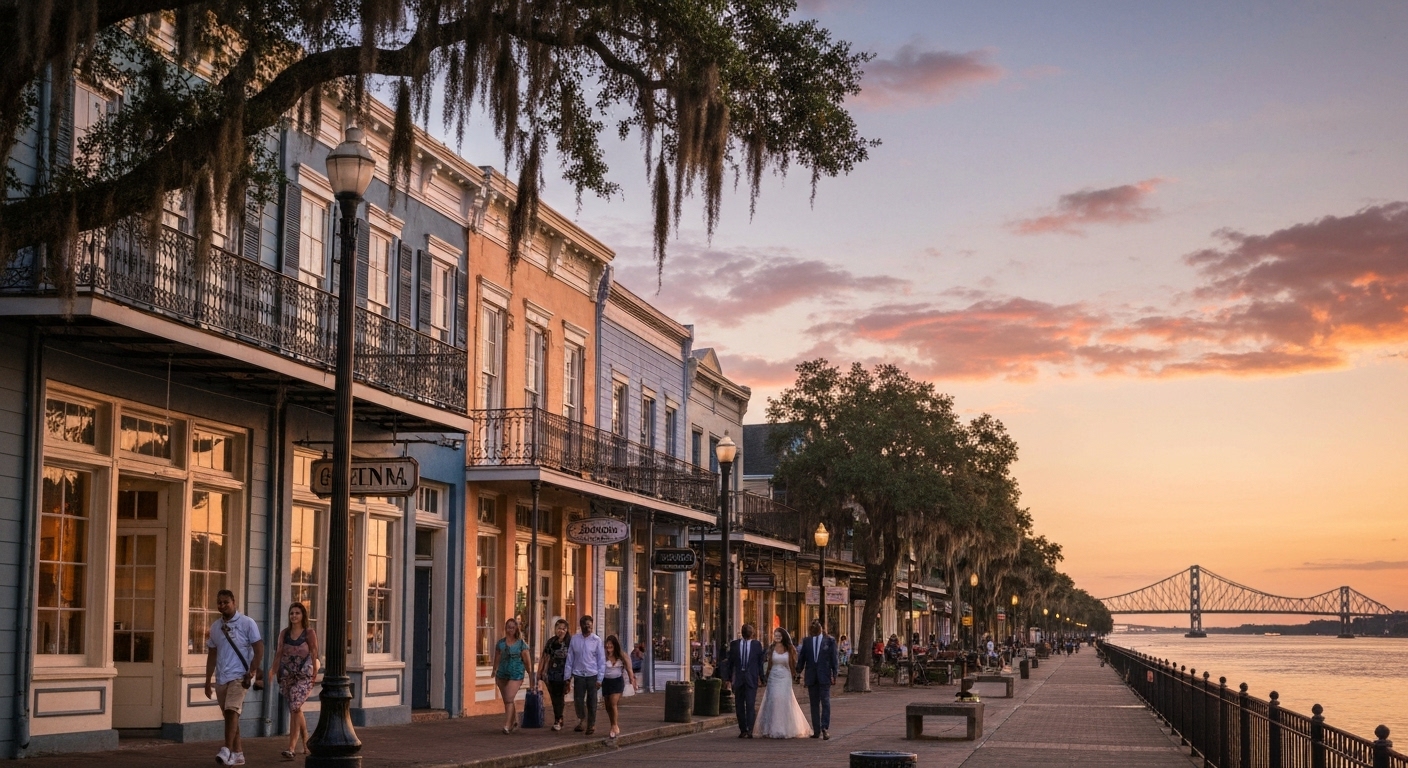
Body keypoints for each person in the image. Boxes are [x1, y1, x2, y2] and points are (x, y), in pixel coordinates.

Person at [204, 589, 264, 767]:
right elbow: (212, 654)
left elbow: (259, 647)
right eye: (219, 602)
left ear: (234, 602)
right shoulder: (215, 627)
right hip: (222, 677)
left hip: (240, 676)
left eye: (226, 602)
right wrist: (208, 681)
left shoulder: (247, 623)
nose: (222, 605)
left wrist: (252, 670)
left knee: (231, 711)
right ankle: (238, 755)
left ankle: (226, 749)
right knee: (231, 716)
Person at [270, 602, 318, 759]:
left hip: (304, 676)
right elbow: (278, 653)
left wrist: (314, 676)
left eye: (297, 613)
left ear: (303, 615)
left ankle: (291, 748)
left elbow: (314, 653)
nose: (294, 616)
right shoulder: (284, 633)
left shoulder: (309, 633)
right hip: (287, 675)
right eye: (292, 613)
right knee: (296, 708)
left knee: (295, 706)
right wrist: (273, 671)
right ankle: (306, 740)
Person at [754, 628, 811, 738]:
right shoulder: (771, 649)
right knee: (774, 699)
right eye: (776, 635)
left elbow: (794, 664)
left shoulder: (790, 648)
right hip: (773, 676)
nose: (777, 638)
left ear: (784, 636)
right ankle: (771, 727)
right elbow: (766, 661)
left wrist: (797, 675)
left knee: (784, 699)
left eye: (779, 636)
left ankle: (785, 727)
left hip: (785, 676)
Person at [796, 619, 838, 740]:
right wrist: (798, 671)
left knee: (825, 701)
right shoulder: (807, 641)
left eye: (817, 626)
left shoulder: (829, 641)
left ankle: (824, 727)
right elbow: (802, 657)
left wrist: (834, 674)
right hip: (811, 676)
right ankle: (816, 729)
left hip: (824, 675)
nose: (814, 628)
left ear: (821, 628)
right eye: (812, 626)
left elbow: (834, 658)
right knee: (814, 703)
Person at [565, 615, 606, 736]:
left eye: (589, 625)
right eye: (585, 625)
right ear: (581, 626)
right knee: (578, 699)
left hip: (592, 674)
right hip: (578, 674)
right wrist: (567, 677)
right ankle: (582, 719)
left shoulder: (596, 640)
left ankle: (591, 724)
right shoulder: (575, 639)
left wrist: (600, 678)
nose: (588, 627)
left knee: (592, 701)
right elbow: (570, 658)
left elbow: (601, 660)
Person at [494, 618, 533, 734]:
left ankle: (507, 725)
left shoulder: (521, 644)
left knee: (509, 698)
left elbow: (527, 661)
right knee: (507, 700)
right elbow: (497, 657)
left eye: (512, 627)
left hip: (516, 674)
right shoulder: (501, 643)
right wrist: (494, 670)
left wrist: (530, 674)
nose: (510, 630)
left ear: (516, 629)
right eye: (508, 627)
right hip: (502, 674)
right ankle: (514, 720)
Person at [726, 624, 765, 738]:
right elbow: (730, 663)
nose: (747, 633)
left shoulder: (757, 645)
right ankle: (743, 729)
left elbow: (760, 663)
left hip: (751, 679)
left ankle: (750, 729)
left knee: (750, 704)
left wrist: (762, 677)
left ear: (752, 633)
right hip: (739, 678)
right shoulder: (735, 644)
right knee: (739, 705)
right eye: (745, 630)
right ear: (742, 632)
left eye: (749, 631)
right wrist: (728, 679)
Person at [601, 635, 637, 740]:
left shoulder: (622, 656)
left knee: (613, 703)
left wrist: (632, 681)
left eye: (611, 644)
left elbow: (629, 669)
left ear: (615, 645)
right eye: (607, 644)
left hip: (617, 681)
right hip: (606, 681)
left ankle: (614, 725)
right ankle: (612, 722)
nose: (608, 646)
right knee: (607, 705)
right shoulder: (602, 656)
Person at [537, 618, 571, 731]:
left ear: (567, 630)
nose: (561, 631)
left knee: (560, 697)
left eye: (563, 629)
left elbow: (574, 659)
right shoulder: (551, 642)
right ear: (555, 629)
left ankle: (558, 719)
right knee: (554, 697)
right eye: (559, 628)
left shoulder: (570, 642)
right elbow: (545, 657)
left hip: (564, 673)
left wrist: (570, 677)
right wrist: (540, 672)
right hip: (551, 673)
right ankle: (558, 717)